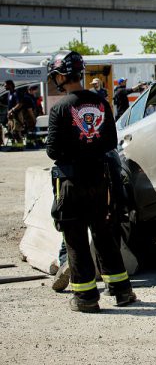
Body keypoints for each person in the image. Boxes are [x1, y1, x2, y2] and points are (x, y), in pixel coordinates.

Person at [46, 50, 137, 312]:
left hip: (71, 183)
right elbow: (110, 142)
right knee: (104, 235)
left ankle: (86, 298)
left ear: (62, 76)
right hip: (100, 180)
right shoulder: (101, 104)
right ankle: (121, 291)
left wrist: (73, 151)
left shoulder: (61, 109)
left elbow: (53, 151)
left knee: (74, 238)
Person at [5, 80, 24, 149]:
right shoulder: (9, 93)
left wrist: (12, 110)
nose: (4, 86)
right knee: (11, 131)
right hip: (10, 116)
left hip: (17, 115)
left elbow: (20, 104)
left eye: (6, 85)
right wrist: (8, 113)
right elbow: (9, 105)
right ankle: (13, 147)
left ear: (10, 85)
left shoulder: (16, 93)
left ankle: (20, 147)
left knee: (16, 131)